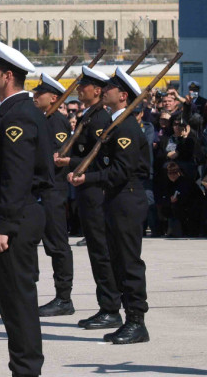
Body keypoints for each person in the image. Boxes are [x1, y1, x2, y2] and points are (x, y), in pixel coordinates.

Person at [0, 40, 52, 377]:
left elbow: (18, 177)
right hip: (15, 216)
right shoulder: (13, 113)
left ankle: (26, 371)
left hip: (15, 221)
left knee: (18, 302)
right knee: (14, 302)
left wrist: (3, 226)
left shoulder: (17, 116)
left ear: (8, 76)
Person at [68, 67, 150, 345]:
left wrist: (86, 177)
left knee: (129, 262)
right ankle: (127, 318)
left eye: (111, 88)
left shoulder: (125, 126)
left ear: (123, 95)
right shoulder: (116, 123)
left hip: (127, 197)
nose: (106, 91)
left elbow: (120, 171)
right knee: (117, 260)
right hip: (116, 199)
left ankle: (137, 321)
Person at [55, 65, 123, 331]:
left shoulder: (99, 120)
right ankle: (105, 305)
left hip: (96, 193)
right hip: (85, 192)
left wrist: (69, 161)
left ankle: (110, 308)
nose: (79, 88)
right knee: (96, 251)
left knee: (101, 251)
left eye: (84, 85)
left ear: (97, 90)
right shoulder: (89, 116)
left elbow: (101, 162)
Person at [31, 73, 75, 317]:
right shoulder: (42, 118)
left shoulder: (56, 121)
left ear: (54, 97)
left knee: (57, 245)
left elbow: (58, 157)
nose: (35, 96)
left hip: (53, 190)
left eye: (40, 93)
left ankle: (64, 297)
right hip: (41, 189)